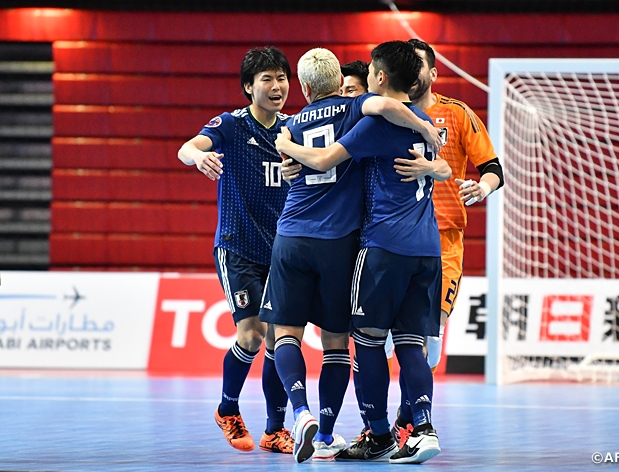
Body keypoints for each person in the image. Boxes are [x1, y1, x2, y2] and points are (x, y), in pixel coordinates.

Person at [259, 47, 441, 464]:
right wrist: (424, 129)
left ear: (302, 87)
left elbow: (318, 159)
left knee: (290, 335)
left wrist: (288, 146)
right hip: (370, 244)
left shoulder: (294, 124)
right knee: (346, 343)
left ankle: (306, 415)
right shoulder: (362, 110)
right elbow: (394, 116)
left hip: (300, 235)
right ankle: (335, 432)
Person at [177, 46, 294, 454]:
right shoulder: (230, 125)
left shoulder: (292, 130)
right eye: (267, 79)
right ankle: (227, 408)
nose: (277, 86)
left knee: (283, 341)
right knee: (252, 333)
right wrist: (198, 158)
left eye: (282, 77)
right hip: (238, 246)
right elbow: (186, 147)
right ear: (249, 87)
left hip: (282, 252)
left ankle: (274, 429)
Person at [391, 39, 505, 444]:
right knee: (385, 341)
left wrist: (484, 187)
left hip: (443, 242)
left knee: (431, 345)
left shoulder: (456, 115)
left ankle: (408, 420)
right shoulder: (385, 112)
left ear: (433, 73)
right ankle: (391, 426)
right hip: (392, 240)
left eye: (418, 65)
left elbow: (493, 167)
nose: (412, 72)